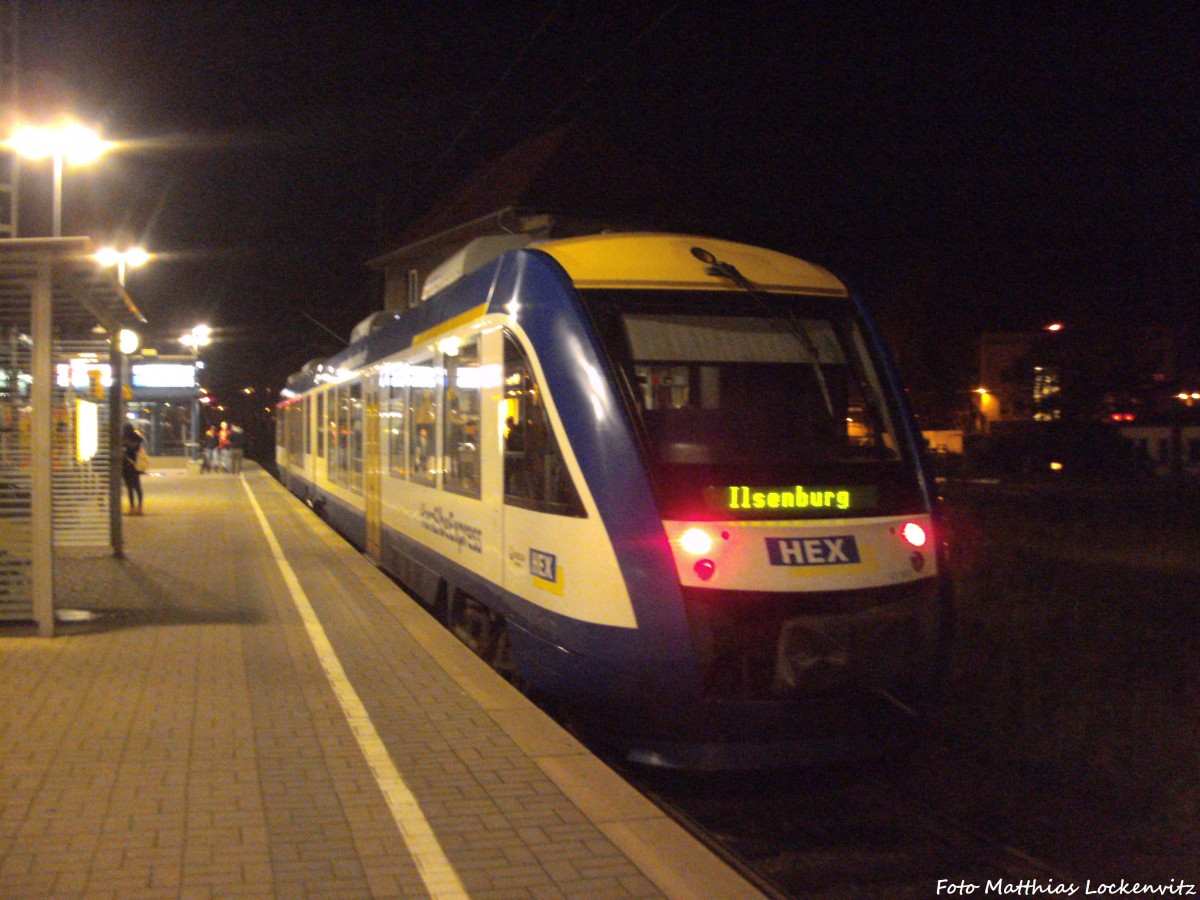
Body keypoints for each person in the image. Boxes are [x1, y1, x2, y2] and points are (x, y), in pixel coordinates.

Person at [121, 423, 145, 515]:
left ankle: (132, 508)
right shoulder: (137, 439)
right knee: (137, 487)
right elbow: (137, 448)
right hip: (135, 466)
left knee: (130, 488)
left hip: (126, 466)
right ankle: (140, 507)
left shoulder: (123, 439)